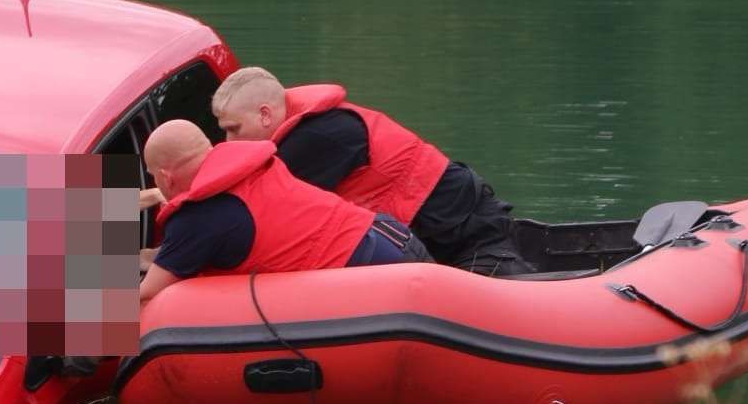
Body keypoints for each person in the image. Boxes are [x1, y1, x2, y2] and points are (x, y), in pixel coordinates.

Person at [210, 67, 533, 276]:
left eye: (234, 129)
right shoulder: (305, 132)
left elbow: (262, 211)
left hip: (467, 234)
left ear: (265, 115)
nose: (228, 141)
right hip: (439, 230)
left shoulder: (315, 139)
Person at [138, 120, 429, 302]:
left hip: (373, 276)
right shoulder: (252, 167)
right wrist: (147, 196)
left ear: (166, 177)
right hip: (392, 237)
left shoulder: (198, 218)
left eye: (153, 178)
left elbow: (146, 295)